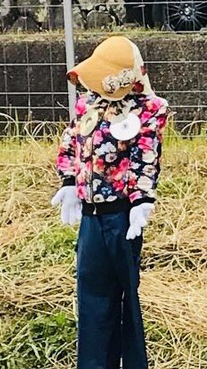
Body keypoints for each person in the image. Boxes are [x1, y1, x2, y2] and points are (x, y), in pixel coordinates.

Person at [52, 35, 169, 369]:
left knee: (127, 301)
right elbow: (71, 140)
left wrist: (141, 201)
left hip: (122, 218)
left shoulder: (148, 110)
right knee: (92, 299)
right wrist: (70, 181)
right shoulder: (89, 104)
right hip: (91, 217)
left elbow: (145, 156)